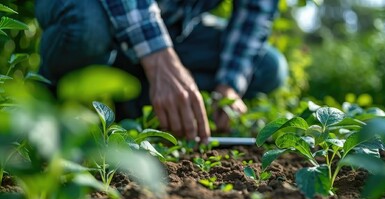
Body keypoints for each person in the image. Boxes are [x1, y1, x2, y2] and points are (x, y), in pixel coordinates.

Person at [35, 0, 288, 142]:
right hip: (96, 8)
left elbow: (255, 11)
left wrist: (229, 84)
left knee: (269, 68)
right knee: (86, 28)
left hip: (169, 27)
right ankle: (47, 105)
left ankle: (136, 106)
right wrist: (158, 58)